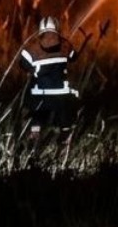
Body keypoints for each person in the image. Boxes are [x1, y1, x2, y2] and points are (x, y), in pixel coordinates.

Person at [17, 16, 81, 148]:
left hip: (39, 95)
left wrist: (33, 69)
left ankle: (34, 136)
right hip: (61, 95)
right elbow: (74, 57)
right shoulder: (65, 45)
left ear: (41, 31)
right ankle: (65, 139)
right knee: (66, 116)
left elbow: (22, 63)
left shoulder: (33, 48)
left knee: (36, 114)